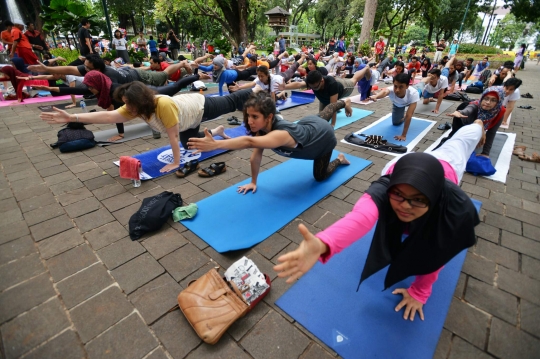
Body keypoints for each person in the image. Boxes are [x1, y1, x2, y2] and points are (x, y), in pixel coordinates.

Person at [272, 122, 483, 320]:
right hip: (409, 167)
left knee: (464, 137)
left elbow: (438, 252)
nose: (406, 206)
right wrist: (323, 243)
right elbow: (362, 217)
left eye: (418, 200)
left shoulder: (450, 206)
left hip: (449, 161)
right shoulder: (387, 183)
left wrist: (420, 292)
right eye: (398, 195)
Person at [40, 81, 254, 175]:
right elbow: (108, 116)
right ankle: (216, 132)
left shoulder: (162, 105)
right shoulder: (135, 108)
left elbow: (172, 135)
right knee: (189, 143)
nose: (126, 107)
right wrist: (72, 116)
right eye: (125, 102)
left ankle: (257, 91)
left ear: (141, 101)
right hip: (189, 119)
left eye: (129, 103)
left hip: (201, 107)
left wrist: (177, 163)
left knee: (233, 101)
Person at [187, 92, 353, 190]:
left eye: (255, 117)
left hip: (323, 138)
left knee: (320, 177)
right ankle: (343, 103)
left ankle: (339, 159)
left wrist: (216, 144)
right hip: (309, 123)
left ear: (269, 117)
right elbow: (256, 155)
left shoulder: (281, 134)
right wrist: (253, 182)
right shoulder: (261, 130)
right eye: (248, 116)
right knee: (324, 112)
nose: (250, 121)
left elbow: (249, 143)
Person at [281, 64, 372, 127]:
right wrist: (284, 87)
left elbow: (333, 106)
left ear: (322, 81)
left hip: (343, 87)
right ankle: (344, 103)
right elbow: (298, 84)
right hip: (326, 95)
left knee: (354, 79)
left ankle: (366, 69)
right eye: (312, 87)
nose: (314, 89)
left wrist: (332, 124)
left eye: (316, 87)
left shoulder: (331, 84)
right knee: (322, 116)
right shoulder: (312, 81)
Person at [443, 86, 505, 157]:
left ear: (499, 102)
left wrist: (485, 153)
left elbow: (491, 133)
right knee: (455, 135)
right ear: (482, 98)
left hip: (472, 120)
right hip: (463, 116)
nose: (488, 102)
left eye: (493, 100)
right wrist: (460, 112)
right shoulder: (475, 106)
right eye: (485, 98)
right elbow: (469, 110)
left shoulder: (499, 112)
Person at [369, 73, 418, 141]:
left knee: (420, 86)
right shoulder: (391, 90)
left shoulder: (413, 94)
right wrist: (376, 96)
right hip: (399, 104)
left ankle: (423, 82)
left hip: (411, 100)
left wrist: (403, 135)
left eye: (401, 87)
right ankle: (402, 116)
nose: (397, 90)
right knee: (396, 123)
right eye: (395, 86)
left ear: (407, 86)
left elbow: (409, 116)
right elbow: (385, 92)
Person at [229, 61, 302, 101]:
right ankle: (282, 93)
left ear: (267, 75)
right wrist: (239, 87)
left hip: (283, 77)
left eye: (262, 76)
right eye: (258, 76)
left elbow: (273, 99)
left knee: (293, 68)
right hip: (275, 86)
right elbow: (251, 84)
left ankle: (302, 58)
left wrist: (273, 111)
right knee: (267, 97)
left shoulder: (273, 80)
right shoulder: (260, 77)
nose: (260, 78)